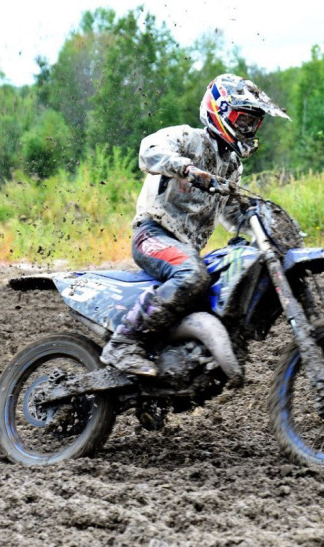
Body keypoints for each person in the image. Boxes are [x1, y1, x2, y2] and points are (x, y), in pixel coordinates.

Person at [100, 73, 291, 376]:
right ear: (220, 111)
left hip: (185, 248)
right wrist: (186, 168)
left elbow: (231, 213)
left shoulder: (232, 165)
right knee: (193, 274)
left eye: (253, 124)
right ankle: (124, 343)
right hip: (153, 233)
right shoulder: (189, 139)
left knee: (218, 286)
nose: (247, 128)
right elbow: (148, 149)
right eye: (242, 120)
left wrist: (264, 222)